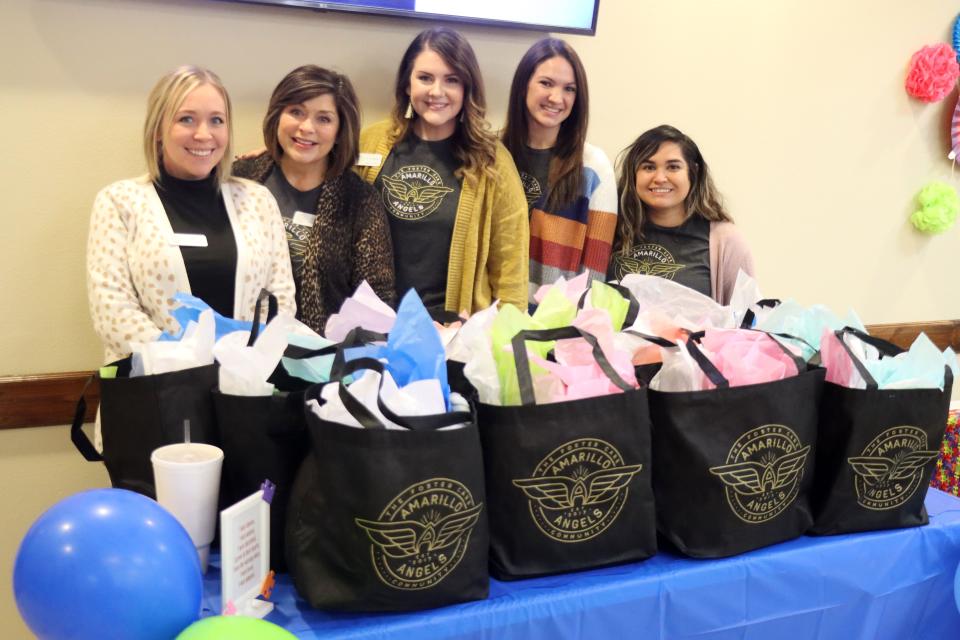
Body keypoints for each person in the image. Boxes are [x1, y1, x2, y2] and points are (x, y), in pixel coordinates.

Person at [87, 65, 295, 363]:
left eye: (217, 120)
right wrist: (188, 362)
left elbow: (281, 299)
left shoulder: (258, 201)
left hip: (243, 389)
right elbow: (112, 312)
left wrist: (247, 360)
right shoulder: (119, 203)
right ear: (158, 129)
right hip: (156, 390)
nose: (203, 134)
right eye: (186, 119)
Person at [356, 26, 529, 314]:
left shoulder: (492, 160)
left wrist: (508, 335)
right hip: (375, 326)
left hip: (453, 333)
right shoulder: (370, 142)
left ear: (466, 88)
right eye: (425, 78)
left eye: (451, 80)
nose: (437, 91)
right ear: (407, 85)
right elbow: (322, 175)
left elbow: (511, 264)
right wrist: (275, 153)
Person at [233, 65, 394, 333]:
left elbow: (376, 299)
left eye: (324, 119)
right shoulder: (242, 179)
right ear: (277, 115)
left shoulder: (360, 201)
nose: (307, 127)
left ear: (340, 129)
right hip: (240, 349)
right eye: (296, 112)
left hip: (319, 360)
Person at [501, 37, 617, 304]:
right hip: (489, 318)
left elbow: (594, 274)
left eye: (569, 89)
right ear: (523, 86)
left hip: (554, 327)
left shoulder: (594, 167)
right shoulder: (492, 154)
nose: (556, 98)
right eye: (546, 83)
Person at [609, 125, 754, 305]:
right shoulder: (609, 230)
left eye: (673, 167)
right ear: (634, 174)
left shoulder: (726, 241)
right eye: (648, 167)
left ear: (693, 172)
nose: (660, 177)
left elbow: (747, 322)